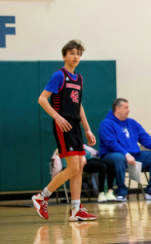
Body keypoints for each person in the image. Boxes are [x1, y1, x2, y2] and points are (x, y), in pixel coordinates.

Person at [31, 40, 98, 222]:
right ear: (64, 56)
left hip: (75, 126)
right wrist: (57, 117)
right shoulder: (59, 75)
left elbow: (79, 105)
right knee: (74, 167)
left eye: (78, 54)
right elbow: (42, 99)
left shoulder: (80, 78)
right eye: (72, 53)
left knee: (79, 168)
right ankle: (41, 196)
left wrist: (87, 128)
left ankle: (75, 209)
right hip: (63, 125)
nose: (75, 56)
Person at [99, 98, 151, 201]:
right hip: (112, 155)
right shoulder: (106, 123)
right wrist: (126, 153)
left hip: (133, 155)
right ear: (117, 109)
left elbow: (144, 136)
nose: (128, 110)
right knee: (119, 157)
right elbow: (111, 143)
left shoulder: (132, 123)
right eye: (126, 107)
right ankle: (121, 192)